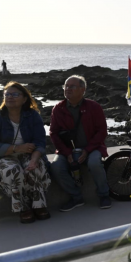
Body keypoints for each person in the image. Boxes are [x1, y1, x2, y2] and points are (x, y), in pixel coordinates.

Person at [0, 82, 51, 223]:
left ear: (24, 99)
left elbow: (40, 141)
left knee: (35, 168)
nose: (10, 97)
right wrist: (16, 148)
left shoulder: (32, 115)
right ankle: (23, 207)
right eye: (7, 94)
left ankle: (39, 205)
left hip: (30, 154)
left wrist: (35, 159)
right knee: (13, 170)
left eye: (15, 94)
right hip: (2, 156)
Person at [50, 75, 111, 211]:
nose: (68, 89)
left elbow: (102, 131)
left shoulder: (94, 107)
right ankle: (76, 197)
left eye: (72, 86)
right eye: (66, 86)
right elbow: (53, 133)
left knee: (94, 163)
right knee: (56, 167)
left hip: (92, 148)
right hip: (67, 150)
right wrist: (66, 153)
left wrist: (87, 150)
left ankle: (104, 195)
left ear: (83, 90)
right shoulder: (58, 109)